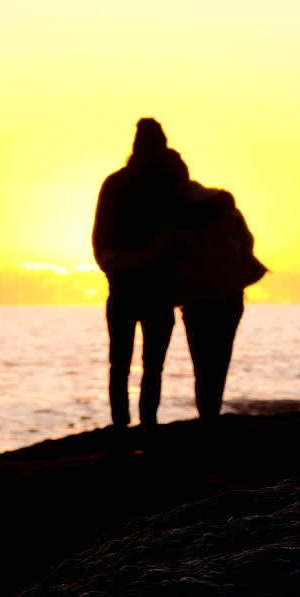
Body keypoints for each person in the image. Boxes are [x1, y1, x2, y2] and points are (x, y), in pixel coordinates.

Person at [91, 118, 188, 429]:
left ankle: (123, 425)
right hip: (153, 288)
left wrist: (115, 266)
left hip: (126, 287)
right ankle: (147, 425)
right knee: (150, 366)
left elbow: (99, 240)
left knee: (120, 365)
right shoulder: (170, 183)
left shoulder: (117, 182)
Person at [174, 181, 268, 418]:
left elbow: (176, 253)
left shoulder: (177, 211)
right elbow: (248, 242)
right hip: (230, 294)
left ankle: (206, 412)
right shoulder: (228, 208)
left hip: (197, 297)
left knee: (201, 363)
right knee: (220, 359)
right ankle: (212, 411)